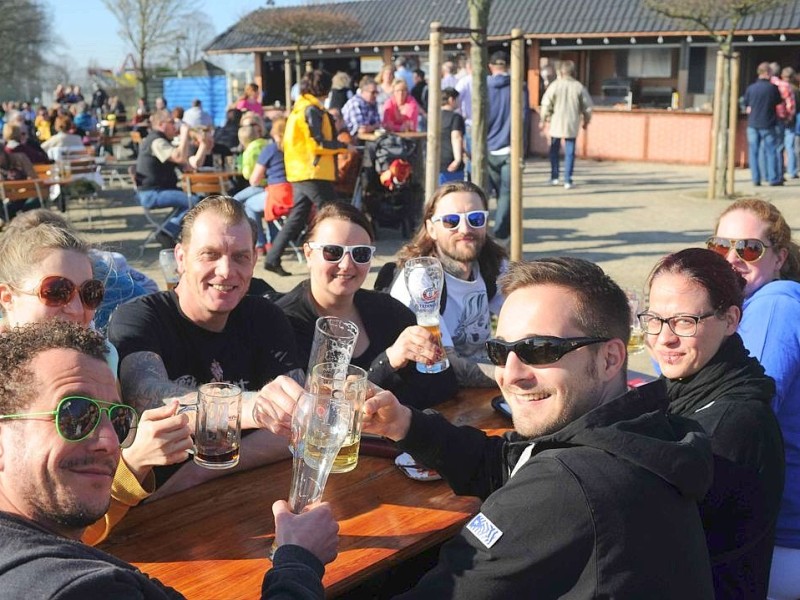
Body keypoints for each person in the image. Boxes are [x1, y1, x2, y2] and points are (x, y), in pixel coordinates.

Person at [359, 257, 715, 597]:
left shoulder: (567, 487)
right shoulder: (644, 431)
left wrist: (302, 563)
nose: (510, 374)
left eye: (540, 349)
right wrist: (405, 423)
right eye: (500, 351)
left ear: (609, 358)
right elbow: (507, 461)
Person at [0, 319, 338, 599]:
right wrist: (299, 562)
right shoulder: (79, 589)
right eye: (75, 414)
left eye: (118, 420)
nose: (107, 441)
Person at [0, 222, 190, 545]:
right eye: (57, 291)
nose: (76, 310)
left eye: (89, 294)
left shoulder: (101, 359)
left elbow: (84, 515)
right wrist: (131, 466)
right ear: (7, 297)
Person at [108, 196, 301, 500]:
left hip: (255, 493)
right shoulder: (139, 317)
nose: (226, 271)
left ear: (254, 259)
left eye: (240, 257)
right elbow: (147, 399)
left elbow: (295, 428)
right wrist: (255, 409)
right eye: (210, 255)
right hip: (165, 506)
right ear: (181, 258)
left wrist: (204, 469)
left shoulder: (266, 316)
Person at [641, 248, 785, 598]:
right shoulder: (694, 387)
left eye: (685, 321)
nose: (664, 338)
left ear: (731, 320)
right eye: (655, 319)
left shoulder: (728, 427)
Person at [277, 202, 457, 408]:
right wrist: (388, 363)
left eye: (360, 253)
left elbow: (443, 386)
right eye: (333, 252)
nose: (346, 264)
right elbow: (319, 413)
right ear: (308, 253)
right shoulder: (285, 321)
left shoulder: (388, 310)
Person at [708, 199, 800, 599]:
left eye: (748, 249)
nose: (731, 258)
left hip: (776, 537)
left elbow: (749, 409)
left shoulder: (777, 302)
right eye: (720, 246)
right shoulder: (745, 307)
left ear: (779, 257)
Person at [388, 181, 507, 388]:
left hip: (484, 390)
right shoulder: (420, 279)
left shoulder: (492, 265)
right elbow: (449, 366)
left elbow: (529, 319)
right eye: (451, 221)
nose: (465, 229)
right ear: (431, 229)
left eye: (476, 219)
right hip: (435, 396)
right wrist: (518, 375)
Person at [264, 70, 349, 277]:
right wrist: (342, 146)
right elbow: (316, 143)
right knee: (332, 213)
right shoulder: (311, 109)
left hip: (301, 170)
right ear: (325, 88)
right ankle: (335, 255)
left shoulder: (301, 107)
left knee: (298, 216)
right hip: (312, 170)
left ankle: (272, 258)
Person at [134, 110, 211, 247]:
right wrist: (184, 134)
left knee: (195, 199)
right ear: (161, 124)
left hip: (158, 190)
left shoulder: (163, 141)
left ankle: (167, 230)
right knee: (194, 201)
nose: (175, 126)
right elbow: (179, 157)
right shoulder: (157, 141)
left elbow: (189, 166)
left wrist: (204, 145)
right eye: (171, 122)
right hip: (151, 193)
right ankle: (167, 231)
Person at [486, 51, 529, 240]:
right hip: (510, 147)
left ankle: (489, 231)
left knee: (488, 191)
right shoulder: (519, 86)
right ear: (508, 66)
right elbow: (524, 117)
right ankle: (501, 230)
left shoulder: (482, 86)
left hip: (487, 146)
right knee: (507, 192)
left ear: (490, 66)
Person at [539, 59, 592, 190]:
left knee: (554, 151)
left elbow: (546, 104)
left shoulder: (554, 86)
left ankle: (554, 177)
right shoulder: (579, 87)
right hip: (572, 124)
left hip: (556, 123)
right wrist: (586, 121)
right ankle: (568, 180)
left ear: (561, 72)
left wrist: (543, 119)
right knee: (570, 152)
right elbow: (587, 107)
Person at [232, 112, 270, 252]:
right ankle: (260, 243)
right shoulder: (267, 144)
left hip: (259, 185)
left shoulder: (249, 150)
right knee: (248, 205)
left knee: (234, 201)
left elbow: (247, 174)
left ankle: (238, 234)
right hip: (269, 184)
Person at [743, 62, 783, 187]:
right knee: (771, 151)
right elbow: (778, 101)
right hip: (768, 123)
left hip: (753, 124)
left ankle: (756, 179)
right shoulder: (772, 88)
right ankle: (773, 178)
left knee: (753, 152)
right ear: (767, 73)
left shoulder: (751, 88)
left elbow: (745, 103)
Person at [770, 62, 796, 183]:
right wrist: (789, 117)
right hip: (783, 118)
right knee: (784, 147)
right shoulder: (786, 86)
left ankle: (771, 174)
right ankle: (784, 172)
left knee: (771, 147)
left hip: (770, 118)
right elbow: (791, 105)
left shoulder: (771, 84)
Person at [439, 87, 465, 185]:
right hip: (451, 161)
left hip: (438, 161)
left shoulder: (435, 117)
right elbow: (456, 137)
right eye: (457, 99)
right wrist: (458, 159)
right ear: (451, 100)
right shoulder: (456, 117)